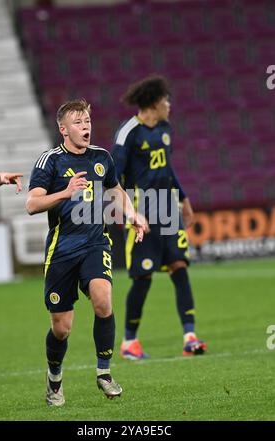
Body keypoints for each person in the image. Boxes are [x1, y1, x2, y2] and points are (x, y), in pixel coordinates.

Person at [26, 99, 145, 406]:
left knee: (103, 299)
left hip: (95, 243)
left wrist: (131, 214)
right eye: (78, 123)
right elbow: (32, 204)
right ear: (63, 129)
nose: (85, 127)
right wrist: (65, 192)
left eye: (88, 121)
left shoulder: (101, 158)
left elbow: (114, 189)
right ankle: (54, 379)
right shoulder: (49, 161)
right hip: (62, 251)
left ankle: (104, 373)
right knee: (61, 328)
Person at [111, 75, 207, 360]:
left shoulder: (165, 128)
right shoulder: (128, 133)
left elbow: (168, 168)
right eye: (165, 100)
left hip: (169, 209)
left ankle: (190, 337)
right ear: (153, 102)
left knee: (180, 267)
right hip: (143, 214)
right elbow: (113, 177)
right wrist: (128, 212)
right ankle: (129, 342)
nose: (169, 104)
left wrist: (184, 199)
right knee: (143, 277)